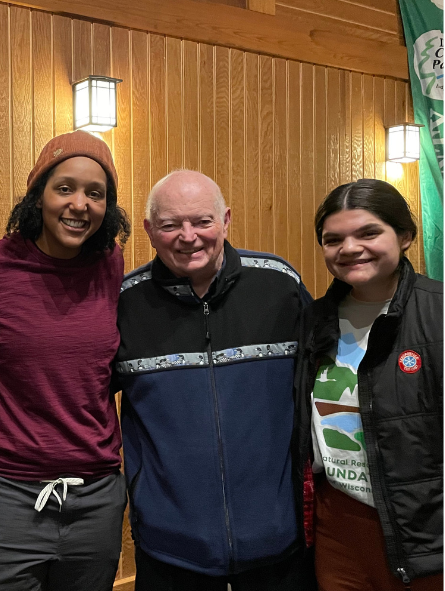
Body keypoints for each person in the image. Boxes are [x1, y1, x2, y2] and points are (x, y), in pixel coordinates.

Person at [115, 170, 313, 590]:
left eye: (202, 221)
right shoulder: (125, 302)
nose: (188, 236)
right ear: (150, 231)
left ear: (226, 220)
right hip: (169, 546)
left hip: (279, 542)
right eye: (170, 225)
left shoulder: (279, 284)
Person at [0, 130, 131, 591]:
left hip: (96, 496)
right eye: (65, 188)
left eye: (96, 194)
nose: (80, 204)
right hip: (4, 496)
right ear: (38, 196)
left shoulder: (110, 265)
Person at [293, 179, 442, 591]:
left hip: (426, 534)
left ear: (406, 235)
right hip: (338, 528)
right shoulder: (314, 318)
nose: (349, 248)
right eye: (333, 239)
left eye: (368, 232)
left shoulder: (438, 311)